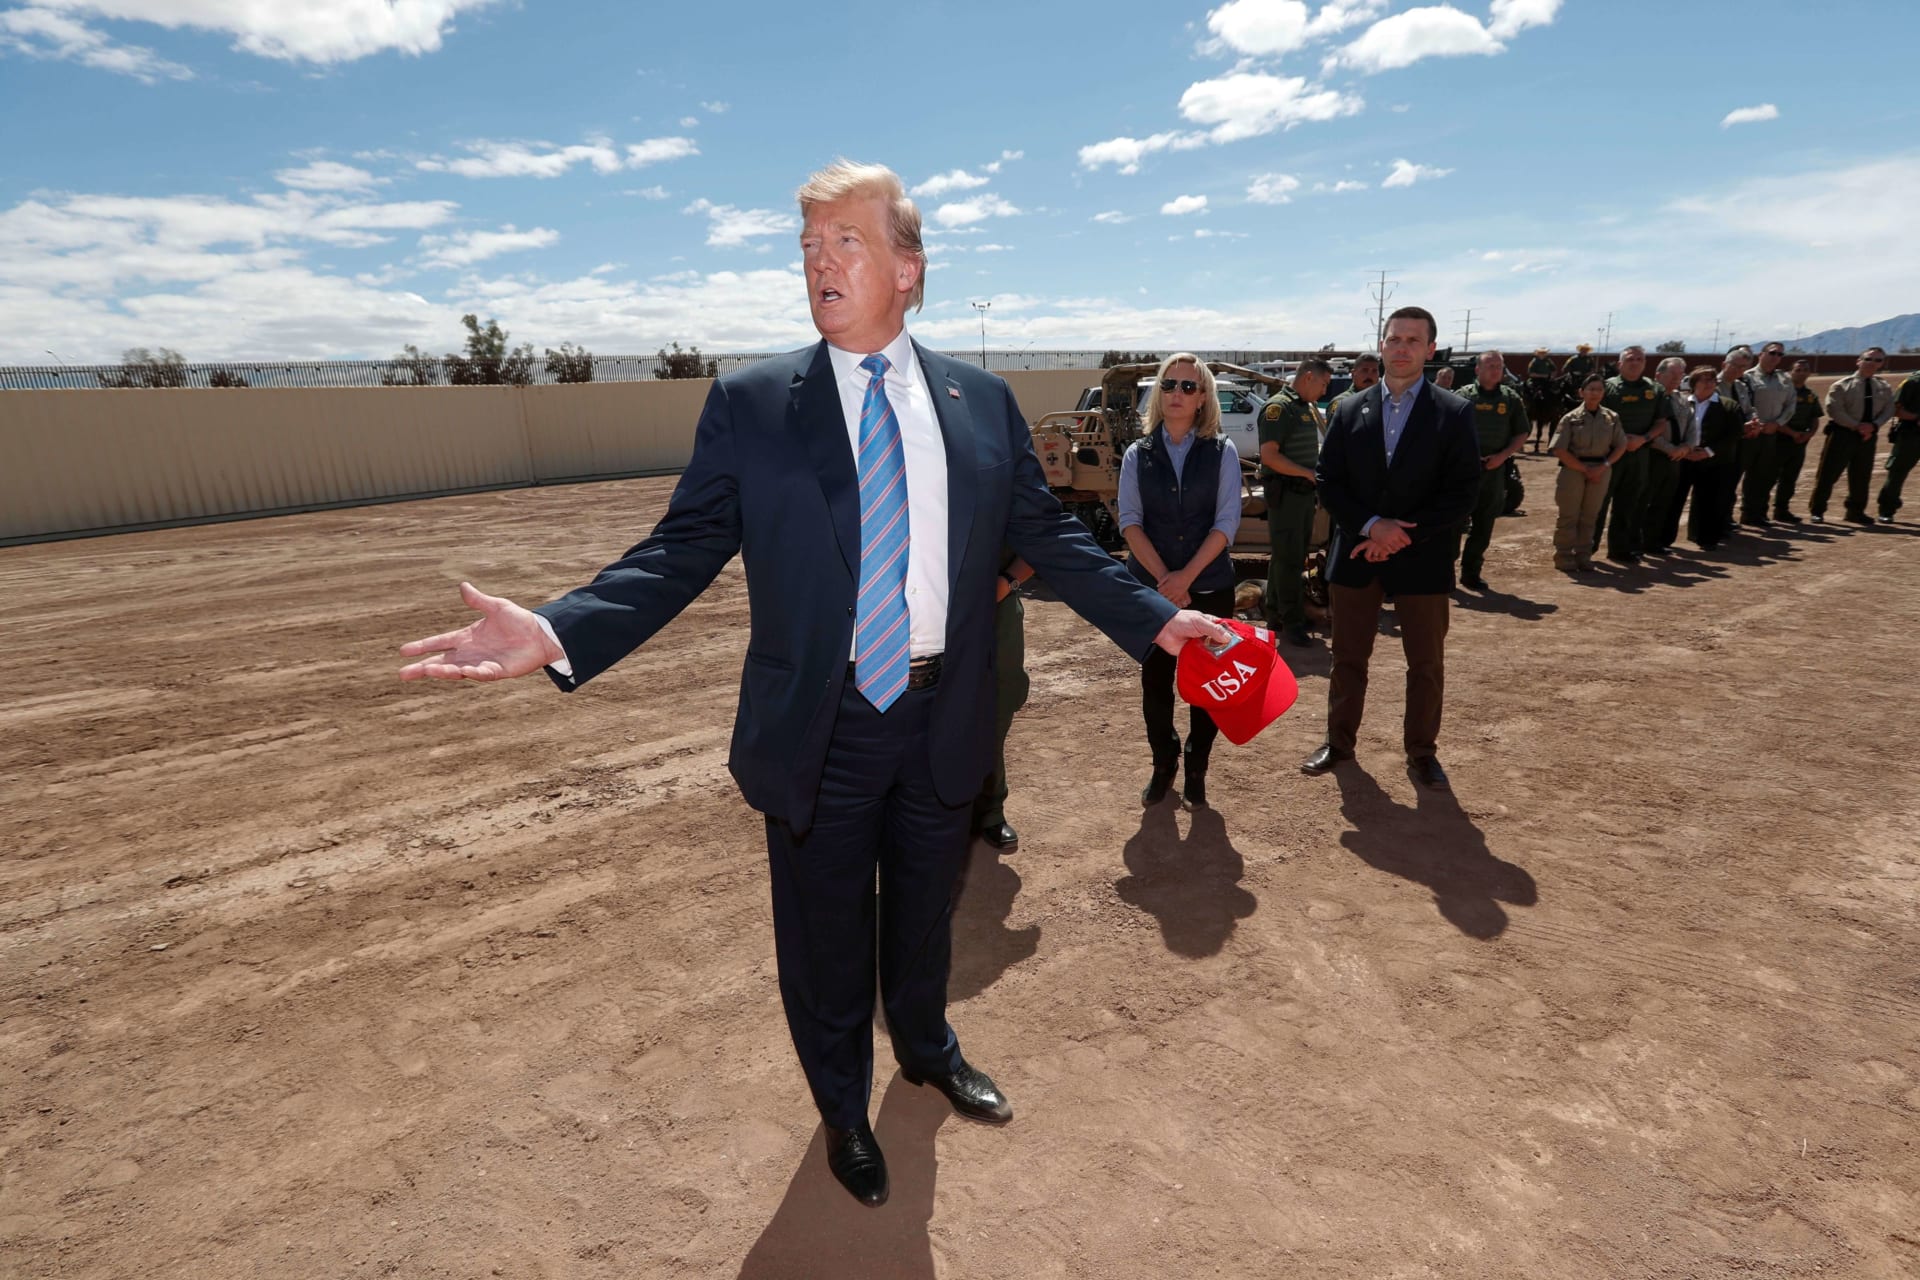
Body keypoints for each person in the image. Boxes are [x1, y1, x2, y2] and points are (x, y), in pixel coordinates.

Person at [395, 160, 1227, 1210]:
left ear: (908, 270)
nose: (818, 263)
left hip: (944, 709)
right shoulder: (754, 404)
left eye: (845, 242)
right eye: (807, 245)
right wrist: (559, 627)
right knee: (825, 933)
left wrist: (1157, 620)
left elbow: (1047, 534)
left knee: (926, 910)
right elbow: (681, 548)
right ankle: (843, 1104)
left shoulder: (981, 404)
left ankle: (925, 1045)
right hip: (820, 724)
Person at [1302, 305, 1480, 791]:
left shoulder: (1454, 411)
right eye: (1394, 339)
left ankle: (1422, 752)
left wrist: (1400, 536)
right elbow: (1328, 480)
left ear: (1430, 349)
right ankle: (1338, 744)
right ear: (1381, 345)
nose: (1402, 348)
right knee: (1348, 659)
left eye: (1412, 340)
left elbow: (1462, 491)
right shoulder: (1347, 408)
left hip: (1422, 558)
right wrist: (1371, 526)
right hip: (1358, 554)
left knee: (1425, 664)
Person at [1120, 354, 1244, 807]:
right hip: (1152, 593)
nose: (1177, 393)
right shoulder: (1138, 454)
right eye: (1169, 385)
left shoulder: (1222, 451)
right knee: (1156, 683)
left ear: (1203, 398)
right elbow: (1130, 523)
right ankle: (1163, 762)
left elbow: (1227, 523)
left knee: (1208, 685)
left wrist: (1185, 578)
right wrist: (1164, 581)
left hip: (1208, 587)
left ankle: (1197, 767)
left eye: (1189, 387)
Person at [1258, 356, 1331, 646]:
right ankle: (1292, 622)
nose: (1325, 391)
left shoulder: (1304, 406)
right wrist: (1306, 473)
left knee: (1289, 555)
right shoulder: (1279, 407)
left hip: (1302, 494)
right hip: (1286, 493)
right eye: (1324, 384)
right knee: (1290, 560)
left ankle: (1275, 611)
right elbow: (1269, 456)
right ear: (1309, 377)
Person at [972, 550, 1033, 851]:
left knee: (997, 707)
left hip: (998, 608)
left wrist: (1007, 581)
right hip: (930, 606)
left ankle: (990, 809)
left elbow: (1038, 541)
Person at [1455, 349, 1530, 591]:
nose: (1495, 369)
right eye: (1489, 365)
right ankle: (1445, 573)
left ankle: (1471, 572)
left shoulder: (1510, 399)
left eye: (1499, 366)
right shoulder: (1462, 396)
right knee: (1453, 522)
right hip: (1462, 470)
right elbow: (1445, 430)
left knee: (1484, 523)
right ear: (1477, 369)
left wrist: (1503, 456)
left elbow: (1522, 432)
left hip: (1494, 469)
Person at [1660, 366, 1747, 550]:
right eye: (1703, 380)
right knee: (1673, 499)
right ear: (1693, 383)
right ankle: (1663, 539)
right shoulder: (1682, 402)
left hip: (1714, 461)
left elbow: (1734, 434)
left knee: (1709, 500)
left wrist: (1707, 451)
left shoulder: (1728, 406)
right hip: (1683, 457)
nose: (1708, 384)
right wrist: (1685, 450)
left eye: (1712, 380)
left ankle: (1705, 538)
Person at [1549, 374, 1627, 572]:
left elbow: (1621, 445)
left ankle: (1584, 555)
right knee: (1569, 515)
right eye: (1590, 389)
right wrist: (1584, 469)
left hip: (1601, 470)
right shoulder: (1570, 418)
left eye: (1599, 389)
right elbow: (1559, 449)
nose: (1595, 393)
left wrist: (1603, 466)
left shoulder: (1612, 418)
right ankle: (1564, 555)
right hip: (1573, 470)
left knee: (1590, 516)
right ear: (1581, 392)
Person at [1595, 345, 1667, 563]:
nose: (1634, 362)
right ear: (1620, 364)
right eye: (1629, 359)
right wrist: (1621, 441)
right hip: (1609, 454)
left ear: (1645, 363)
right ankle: (1587, 549)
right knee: (1599, 503)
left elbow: (1661, 422)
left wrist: (1643, 439)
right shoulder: (1607, 388)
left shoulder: (1655, 389)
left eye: (1639, 359)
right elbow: (1598, 420)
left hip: (1639, 454)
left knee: (1629, 502)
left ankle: (1620, 548)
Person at [1809, 348, 1896, 525]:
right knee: (1828, 474)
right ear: (1859, 361)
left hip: (1868, 436)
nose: (1873, 363)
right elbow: (1834, 409)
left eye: (1878, 360)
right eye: (1869, 359)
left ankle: (1855, 511)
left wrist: (1873, 426)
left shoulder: (1883, 386)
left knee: (1861, 475)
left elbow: (1889, 409)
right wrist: (1857, 426)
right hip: (1843, 434)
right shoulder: (1842, 385)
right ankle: (1817, 510)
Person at [1739, 342, 1797, 526]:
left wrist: (1778, 424)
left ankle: (1756, 513)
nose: (1775, 357)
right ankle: (1731, 516)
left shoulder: (1784, 379)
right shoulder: (1747, 377)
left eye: (1780, 354)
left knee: (1764, 475)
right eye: (1772, 353)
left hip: (1772, 434)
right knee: (1737, 474)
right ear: (1760, 354)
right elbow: (1743, 404)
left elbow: (1791, 405)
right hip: (1750, 434)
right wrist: (1755, 424)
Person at [1642, 357, 1694, 554]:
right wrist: (1669, 448)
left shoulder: (1682, 399)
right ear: (1658, 375)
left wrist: (1687, 447)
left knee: (1665, 500)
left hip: (1676, 457)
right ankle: (1640, 541)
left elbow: (1691, 425)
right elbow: (1647, 428)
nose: (1676, 378)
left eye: (1679, 375)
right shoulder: (1649, 397)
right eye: (1671, 374)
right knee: (1648, 500)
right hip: (1654, 455)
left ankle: (1655, 541)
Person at [1773, 359, 1822, 523]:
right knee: (1768, 477)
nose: (1802, 373)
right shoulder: (1781, 392)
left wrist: (1810, 434)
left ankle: (1781, 510)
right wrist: (1792, 433)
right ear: (1790, 372)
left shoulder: (1810, 395)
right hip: (1779, 440)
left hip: (1799, 442)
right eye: (1798, 370)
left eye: (1805, 370)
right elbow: (1776, 418)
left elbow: (1815, 417)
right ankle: (1757, 511)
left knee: (1790, 478)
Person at [1879, 369, 1920, 523]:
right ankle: (1887, 509)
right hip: (1912, 435)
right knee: (1898, 471)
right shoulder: (1913, 382)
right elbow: (1895, 409)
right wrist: (1916, 417)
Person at [1525, 347, 1559, 452]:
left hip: (1546, 381)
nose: (1542, 355)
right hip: (1536, 382)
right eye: (1541, 353)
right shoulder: (1534, 362)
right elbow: (1531, 374)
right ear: (1537, 354)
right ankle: (1529, 408)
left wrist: (1551, 376)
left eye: (1544, 353)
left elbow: (1554, 370)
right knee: (1531, 393)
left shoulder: (1549, 361)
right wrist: (1543, 375)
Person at [1330, 353, 1381, 417]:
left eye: (1374, 371)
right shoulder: (1342, 403)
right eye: (1365, 370)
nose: (1370, 375)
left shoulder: (1384, 400)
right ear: (1353, 374)